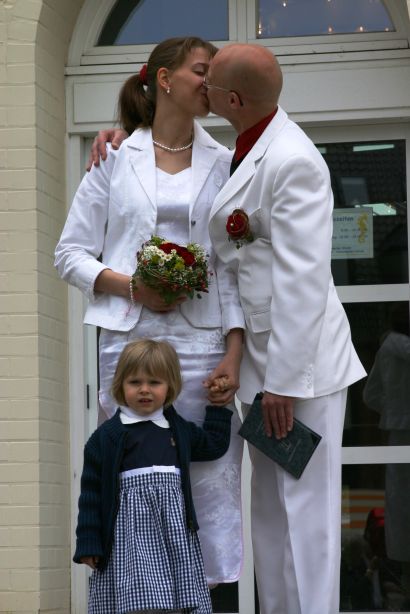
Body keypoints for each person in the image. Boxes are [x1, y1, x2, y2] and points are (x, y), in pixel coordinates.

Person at [86, 42, 367, 613]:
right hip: (262, 371)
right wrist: (123, 132)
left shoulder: (292, 160)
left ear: (231, 99)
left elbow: (303, 281)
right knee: (270, 513)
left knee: (307, 515)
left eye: (210, 80)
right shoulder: (243, 146)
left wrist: (282, 382)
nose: (203, 87)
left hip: (303, 372)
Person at [55, 37, 245, 586]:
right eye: (201, 71)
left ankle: (204, 592)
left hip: (204, 345)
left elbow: (232, 269)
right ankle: (136, 589)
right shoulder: (114, 158)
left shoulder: (227, 162)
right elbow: (69, 254)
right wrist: (132, 287)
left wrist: (234, 353)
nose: (210, 83)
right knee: (133, 472)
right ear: (165, 79)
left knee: (208, 475)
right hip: (128, 344)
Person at [73, 338, 233, 614]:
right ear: (120, 385)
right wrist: (89, 543)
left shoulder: (176, 429)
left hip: (173, 535)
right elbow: (91, 494)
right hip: (129, 538)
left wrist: (218, 407)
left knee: (175, 599)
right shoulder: (106, 438)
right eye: (135, 382)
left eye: (155, 382)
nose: (144, 389)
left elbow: (213, 446)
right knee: (138, 601)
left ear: (170, 386)